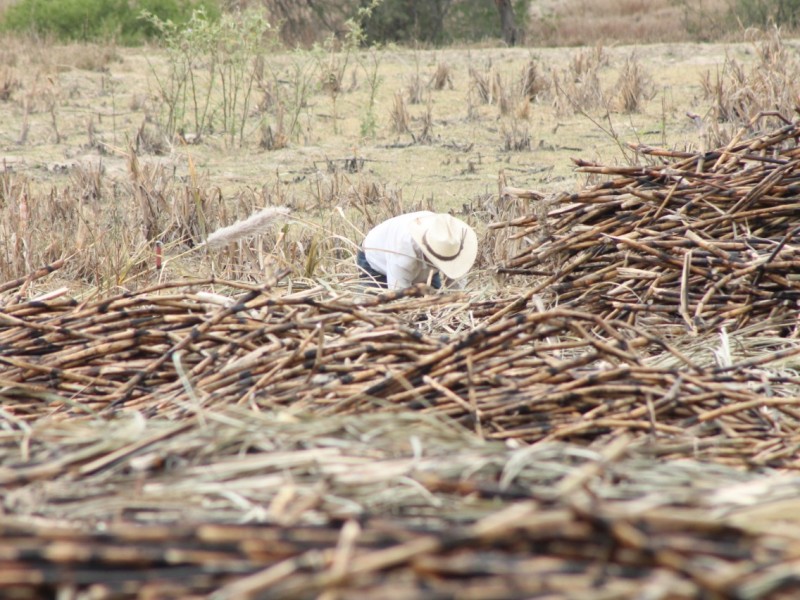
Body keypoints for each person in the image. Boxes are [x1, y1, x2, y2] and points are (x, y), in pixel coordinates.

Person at [357, 211, 478, 290]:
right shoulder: (403, 251)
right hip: (377, 264)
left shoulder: (450, 240)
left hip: (424, 268)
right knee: (379, 313)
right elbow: (399, 297)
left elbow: (457, 287)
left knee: (431, 308)